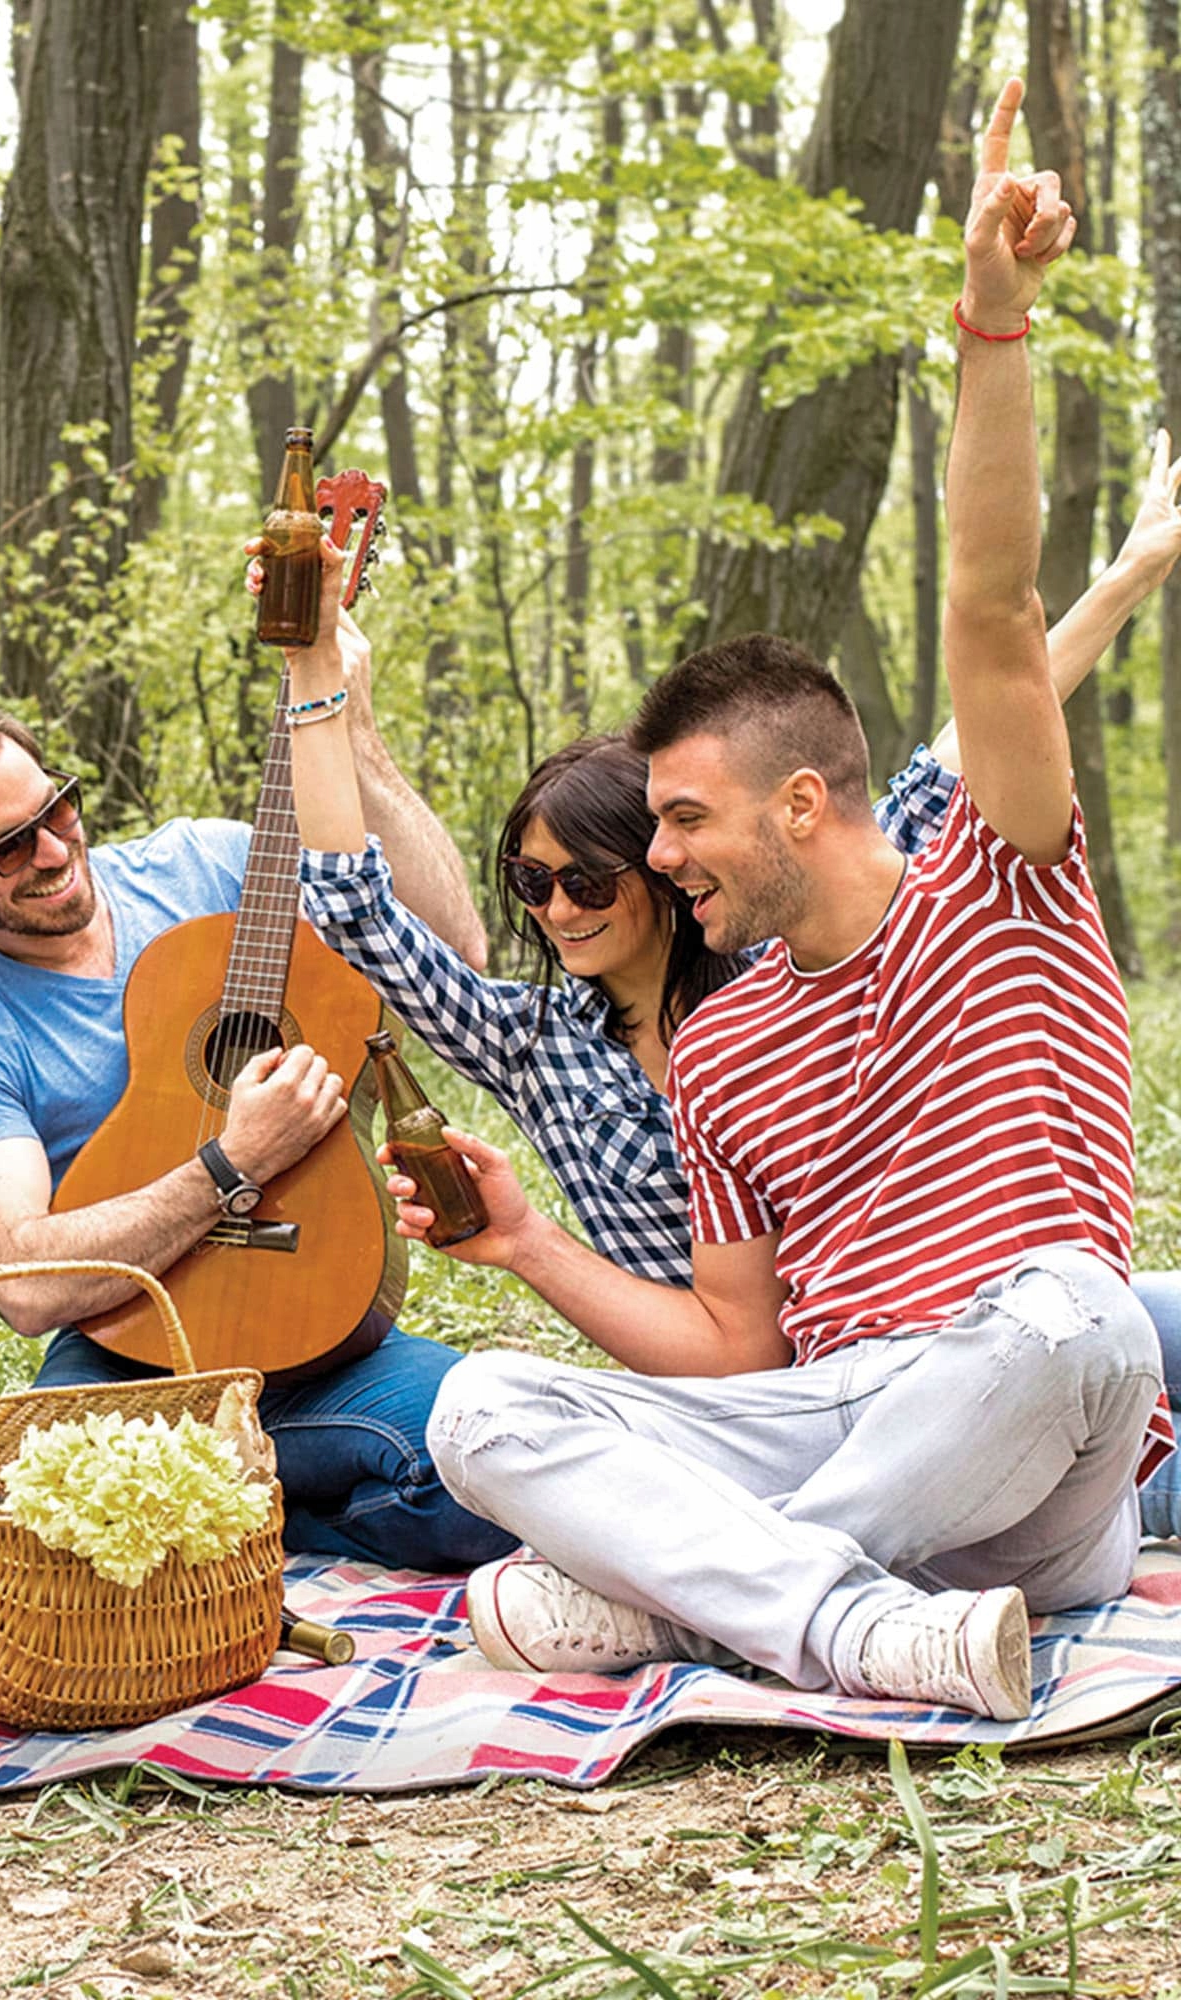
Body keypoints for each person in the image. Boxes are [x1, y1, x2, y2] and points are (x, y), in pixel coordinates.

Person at [403, 80, 1168, 1717]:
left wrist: (991, 326)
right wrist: (531, 1241)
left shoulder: (1002, 880)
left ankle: (701, 1609)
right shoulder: (726, 1044)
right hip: (828, 1421)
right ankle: (842, 1619)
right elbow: (745, 1355)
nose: (658, 858)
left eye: (684, 820)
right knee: (479, 1413)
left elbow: (992, 608)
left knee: (1077, 1309)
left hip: (1033, 1432)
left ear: (803, 802)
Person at [278, 439, 1181, 1538]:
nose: (556, 908)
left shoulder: (781, 932)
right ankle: (828, 1563)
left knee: (1109, 1311)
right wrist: (313, 670)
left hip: (949, 1335)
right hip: (777, 1396)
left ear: (662, 865)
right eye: (528, 881)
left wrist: (1130, 571)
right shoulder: (532, 1042)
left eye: (586, 876)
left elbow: (983, 716)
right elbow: (352, 907)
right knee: (486, 1424)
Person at [0, 690, 511, 1569]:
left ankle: (238, 1524)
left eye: (59, 807)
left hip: (323, 1329)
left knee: (500, 1470)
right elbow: (26, 1286)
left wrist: (349, 723)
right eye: (10, 847)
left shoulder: (210, 865)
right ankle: (247, 1514)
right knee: (52, 1535)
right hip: (132, 1360)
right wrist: (235, 1160)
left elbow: (454, 948)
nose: (55, 850)